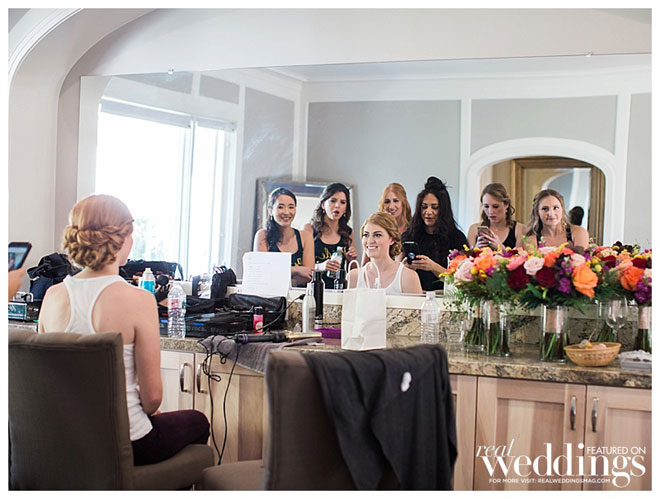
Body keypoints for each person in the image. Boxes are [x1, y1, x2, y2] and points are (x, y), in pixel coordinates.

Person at [37, 194, 209, 465]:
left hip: (64, 442)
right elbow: (152, 399)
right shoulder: (139, 300)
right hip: (125, 442)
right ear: (122, 239)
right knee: (197, 422)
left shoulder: (52, 296)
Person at [402, 177, 468, 291]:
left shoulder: (456, 238)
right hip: (415, 294)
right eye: (424, 207)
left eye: (435, 207)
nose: (428, 212)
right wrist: (404, 268)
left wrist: (433, 267)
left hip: (444, 296)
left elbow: (460, 280)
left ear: (443, 210)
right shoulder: (409, 236)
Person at [348, 212, 422, 294]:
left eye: (377, 235)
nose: (370, 241)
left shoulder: (408, 277)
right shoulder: (353, 277)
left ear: (392, 239)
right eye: (366, 235)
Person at [253, 187, 314, 287]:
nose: (286, 212)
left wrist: (277, 272)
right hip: (270, 294)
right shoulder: (262, 235)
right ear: (270, 210)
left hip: (300, 294)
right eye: (281, 207)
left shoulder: (305, 237)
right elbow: (262, 273)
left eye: (291, 207)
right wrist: (295, 269)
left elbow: (308, 275)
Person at [303, 182, 358, 288]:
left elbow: (351, 272)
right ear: (323, 204)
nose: (337, 206)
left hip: (338, 289)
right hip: (314, 288)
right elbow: (302, 267)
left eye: (342, 202)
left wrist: (351, 259)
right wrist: (321, 266)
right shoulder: (309, 229)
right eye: (333, 201)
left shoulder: (348, 232)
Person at [362, 183, 412, 266]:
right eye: (387, 202)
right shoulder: (375, 227)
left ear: (403, 203)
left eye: (396, 201)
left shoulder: (413, 229)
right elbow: (364, 265)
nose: (391, 206)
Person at [525, 189, 589, 253]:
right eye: (545, 209)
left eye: (556, 208)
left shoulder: (578, 233)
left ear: (562, 209)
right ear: (537, 212)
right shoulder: (531, 240)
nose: (551, 214)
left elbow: (584, 258)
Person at [467, 183, 524, 250]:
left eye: (495, 206)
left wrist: (502, 248)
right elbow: (466, 255)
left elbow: (521, 255)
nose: (490, 211)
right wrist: (476, 250)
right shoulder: (473, 229)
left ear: (506, 205)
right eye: (486, 206)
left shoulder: (520, 230)